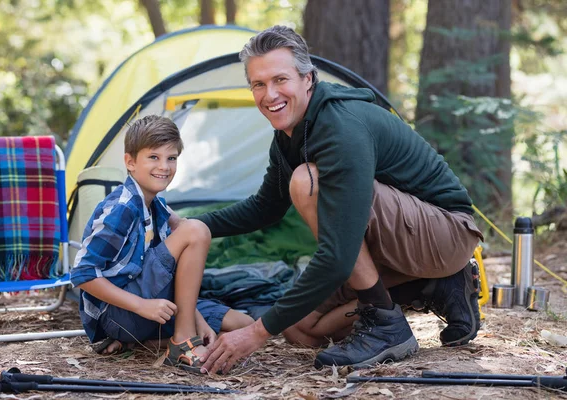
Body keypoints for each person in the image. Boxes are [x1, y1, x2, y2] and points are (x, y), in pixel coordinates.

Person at [194, 25, 484, 374]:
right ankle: (433, 287)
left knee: (306, 182)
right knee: (300, 329)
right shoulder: (289, 135)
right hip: (406, 241)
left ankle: (386, 325)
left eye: (280, 80)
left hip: (446, 233)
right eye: (258, 84)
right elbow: (265, 207)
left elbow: (338, 255)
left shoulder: (339, 127)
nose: (269, 94)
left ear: (308, 79)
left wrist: (254, 333)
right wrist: (188, 223)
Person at [70, 115, 253, 373]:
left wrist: (197, 319)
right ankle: (182, 342)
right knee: (196, 230)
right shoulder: (120, 209)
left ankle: (153, 340)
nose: (164, 166)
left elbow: (168, 272)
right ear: (130, 162)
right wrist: (142, 306)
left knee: (243, 324)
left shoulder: (157, 207)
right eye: (153, 157)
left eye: (172, 158)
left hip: (150, 304)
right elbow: (82, 274)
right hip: (119, 313)